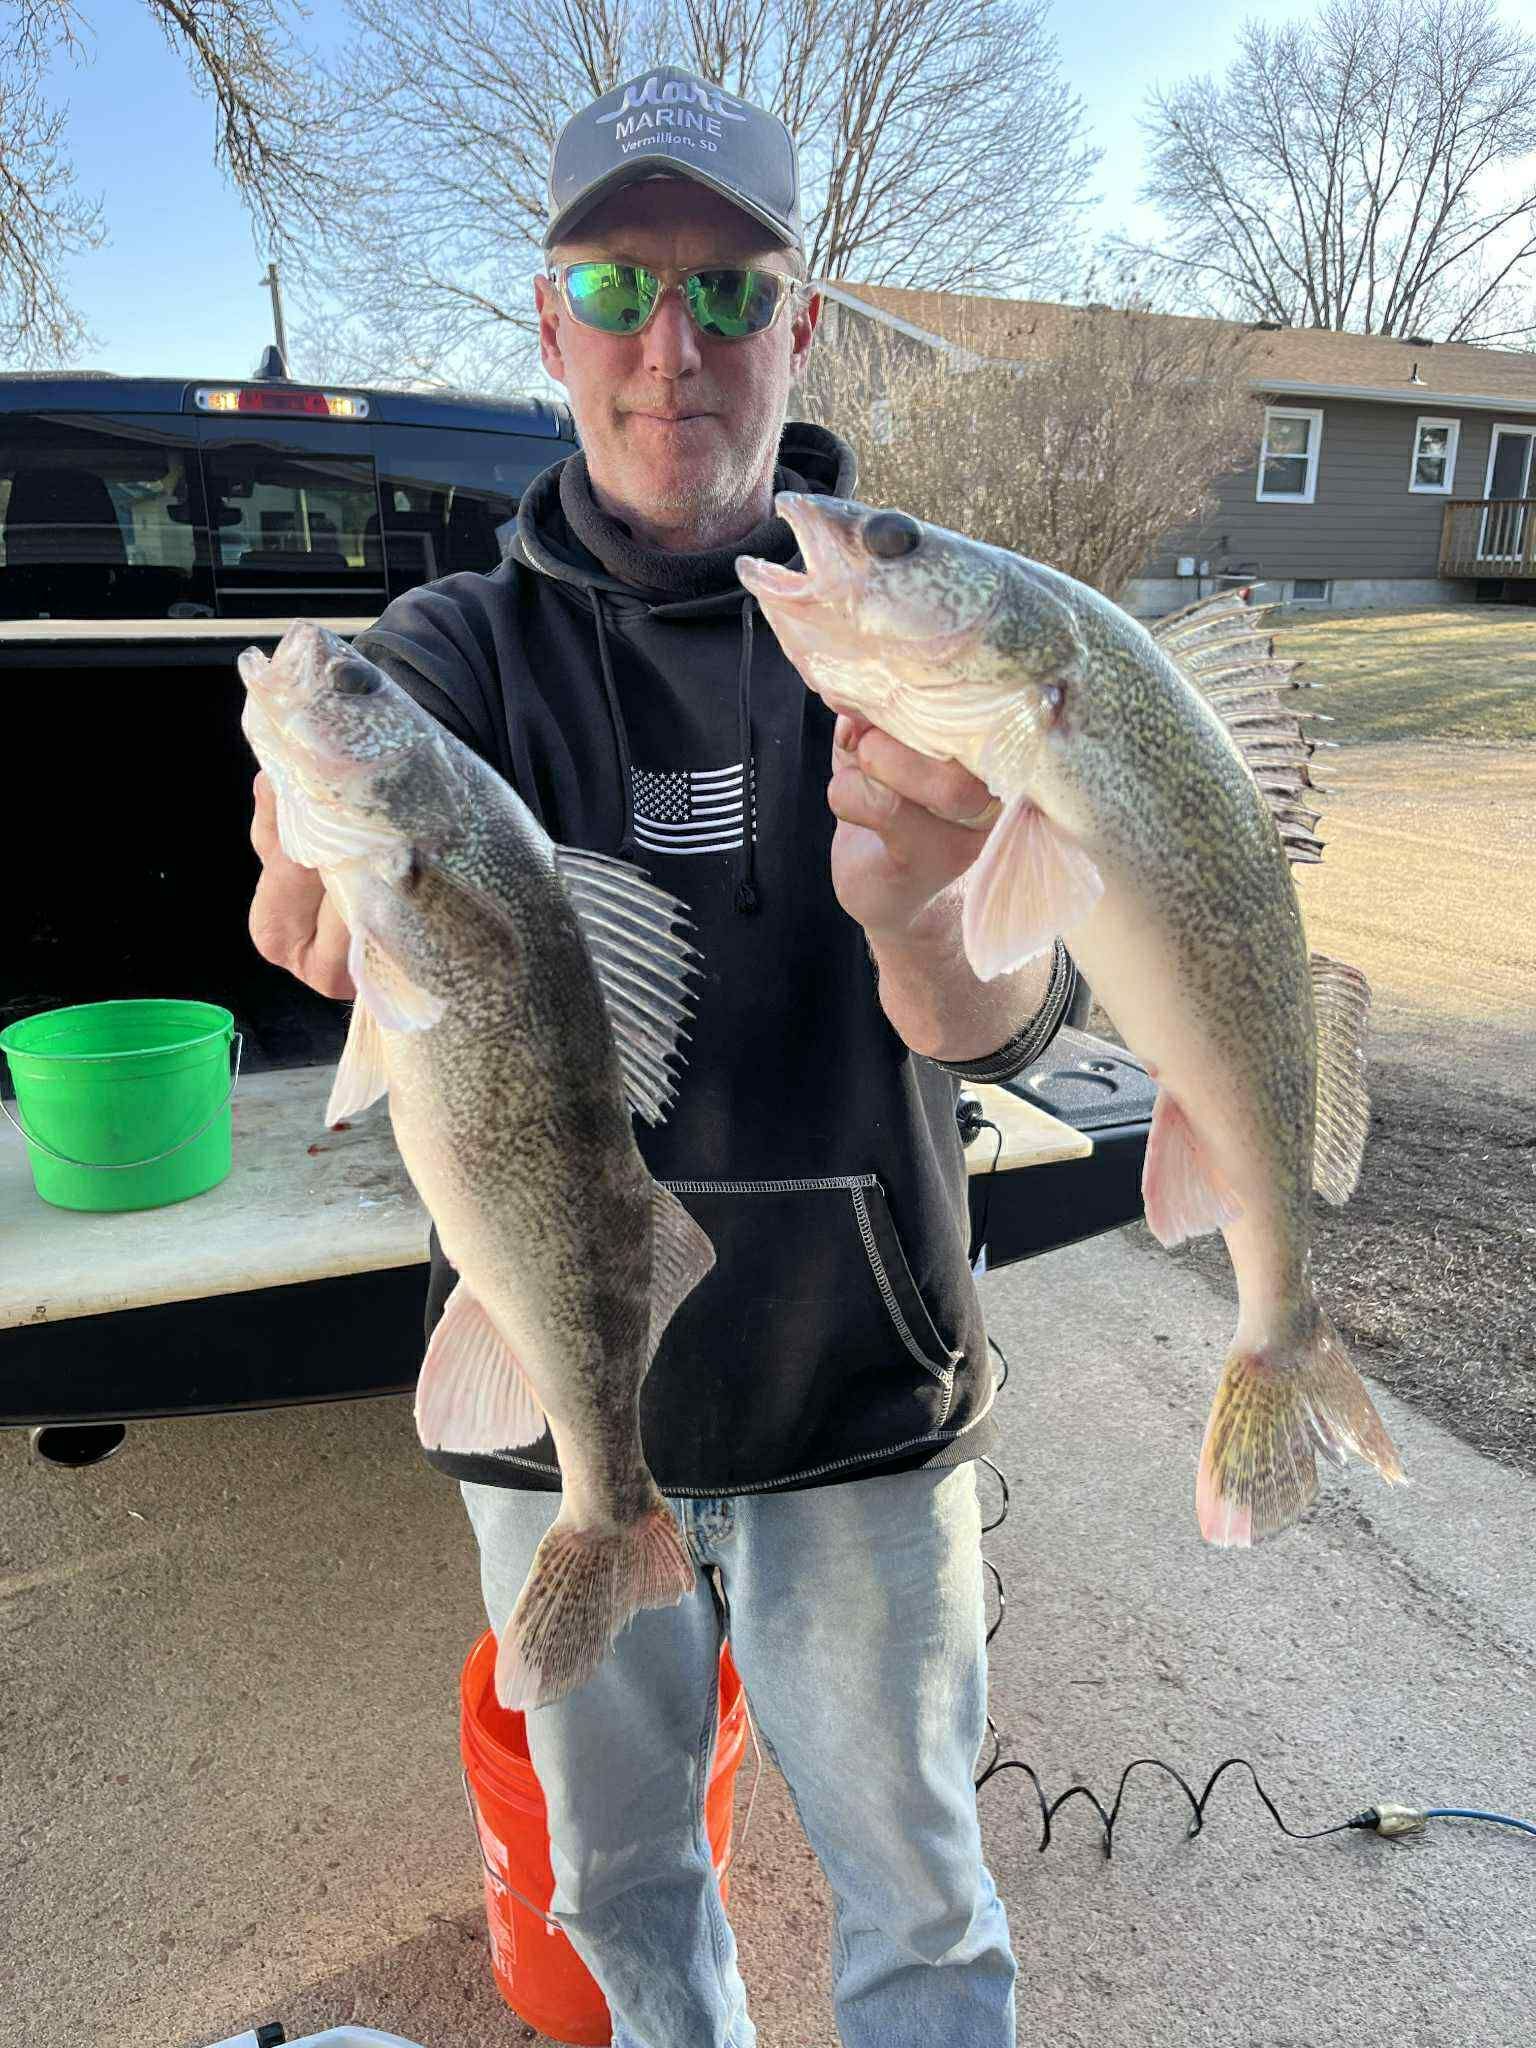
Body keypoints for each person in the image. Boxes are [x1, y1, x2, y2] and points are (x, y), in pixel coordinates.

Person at [249, 64, 1077, 2048]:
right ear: (550, 327)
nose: (672, 347)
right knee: (621, 1889)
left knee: (923, 1907)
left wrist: (948, 949)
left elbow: (1027, 1019)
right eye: (618, 289)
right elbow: (341, 846)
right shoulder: (453, 649)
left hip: (862, 1401)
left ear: (800, 322)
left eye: (729, 291)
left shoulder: (917, 624)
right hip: (556, 1423)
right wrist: (309, 867)